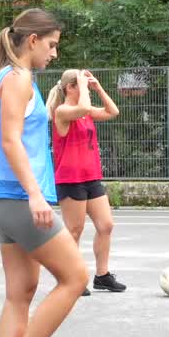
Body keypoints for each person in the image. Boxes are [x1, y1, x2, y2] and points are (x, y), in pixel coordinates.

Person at [0, 8, 88, 337]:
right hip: (18, 198)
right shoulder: (18, 79)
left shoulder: (12, 79)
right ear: (32, 41)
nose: (55, 54)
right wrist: (35, 195)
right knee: (75, 276)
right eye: (53, 44)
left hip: (6, 198)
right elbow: (10, 142)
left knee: (20, 292)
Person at [47, 68, 125, 294]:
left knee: (106, 225)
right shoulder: (62, 111)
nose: (84, 86)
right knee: (74, 230)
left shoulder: (85, 111)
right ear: (70, 88)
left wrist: (97, 87)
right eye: (79, 84)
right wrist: (82, 86)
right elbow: (81, 107)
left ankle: (102, 276)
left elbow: (113, 111)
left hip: (91, 177)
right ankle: (70, 278)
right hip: (71, 179)